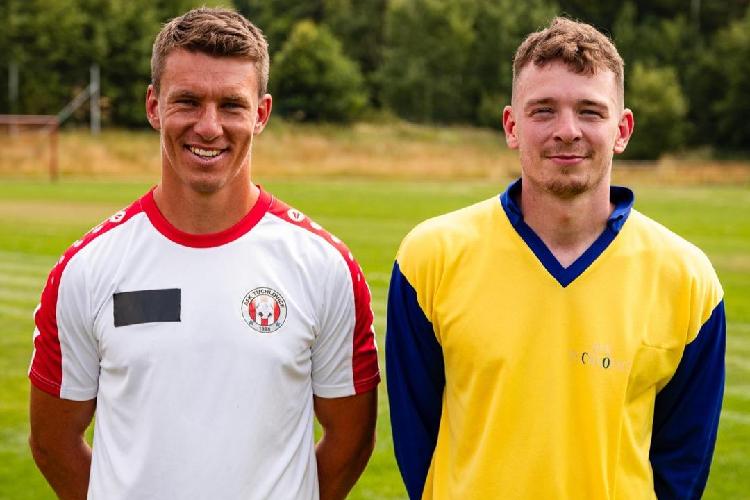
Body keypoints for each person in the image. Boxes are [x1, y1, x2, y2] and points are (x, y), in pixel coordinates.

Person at [28, 8, 380, 500]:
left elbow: (351, 439)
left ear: (261, 114)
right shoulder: (86, 269)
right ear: (154, 106)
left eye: (232, 105)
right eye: (188, 102)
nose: (209, 127)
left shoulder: (324, 266)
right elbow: (53, 443)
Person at [386, 17, 725, 500]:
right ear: (512, 126)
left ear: (622, 129)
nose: (567, 131)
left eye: (590, 112)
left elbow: (683, 465)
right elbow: (417, 442)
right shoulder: (430, 258)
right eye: (543, 111)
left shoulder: (687, 279)